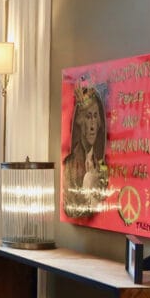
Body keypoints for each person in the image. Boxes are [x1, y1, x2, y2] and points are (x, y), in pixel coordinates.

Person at [62, 84, 109, 218]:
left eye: (95, 117)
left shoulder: (102, 165)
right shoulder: (69, 165)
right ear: (81, 122)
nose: (93, 126)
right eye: (88, 117)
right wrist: (87, 182)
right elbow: (70, 209)